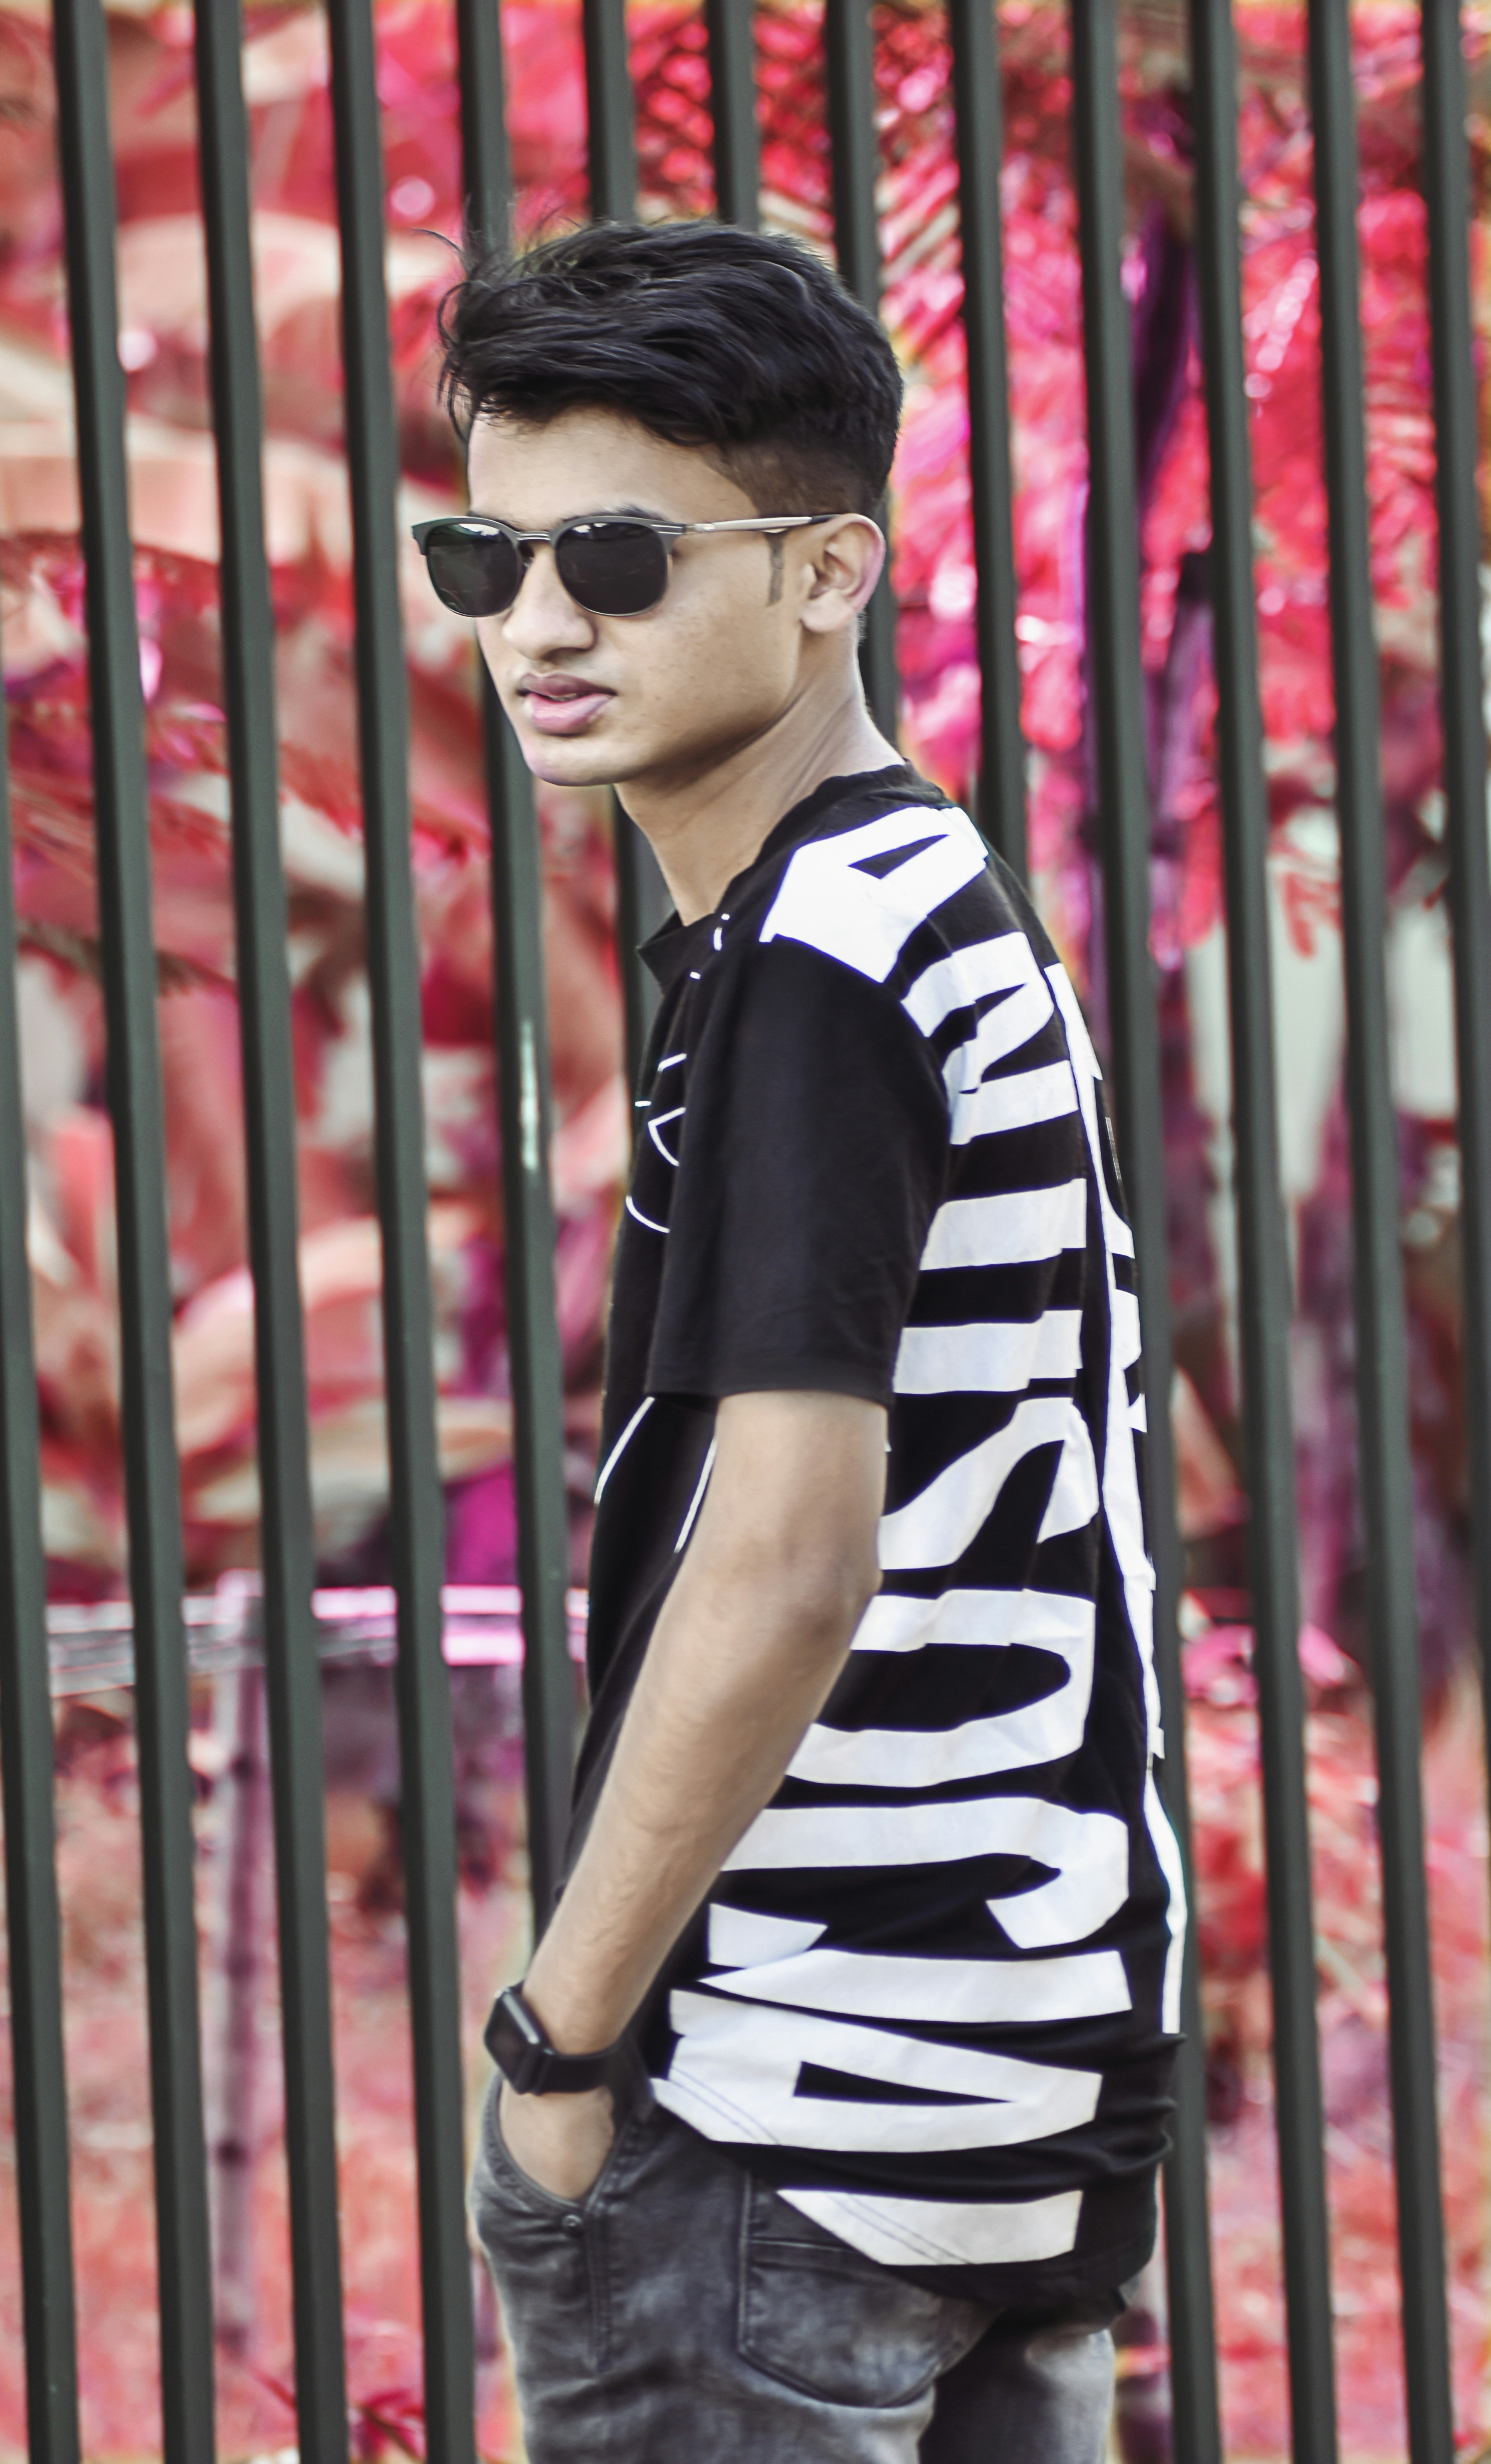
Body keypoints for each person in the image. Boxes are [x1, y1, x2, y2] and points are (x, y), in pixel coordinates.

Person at [415, 219, 1185, 2464]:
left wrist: (555, 2051)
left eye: (623, 558)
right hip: (1010, 2076)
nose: (543, 626)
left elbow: (786, 1562)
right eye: (496, 559)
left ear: (833, 569)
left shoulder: (814, 970)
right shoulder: (928, 894)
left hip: (800, 2103)